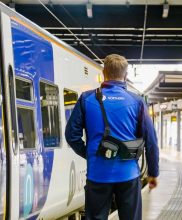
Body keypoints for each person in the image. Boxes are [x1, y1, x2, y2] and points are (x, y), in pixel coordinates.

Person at [65, 54, 159, 220]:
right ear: (126, 75)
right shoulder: (137, 101)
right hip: (128, 174)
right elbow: (151, 141)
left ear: (104, 72)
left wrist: (90, 154)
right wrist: (153, 173)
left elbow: (71, 135)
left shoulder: (87, 99)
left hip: (97, 174)